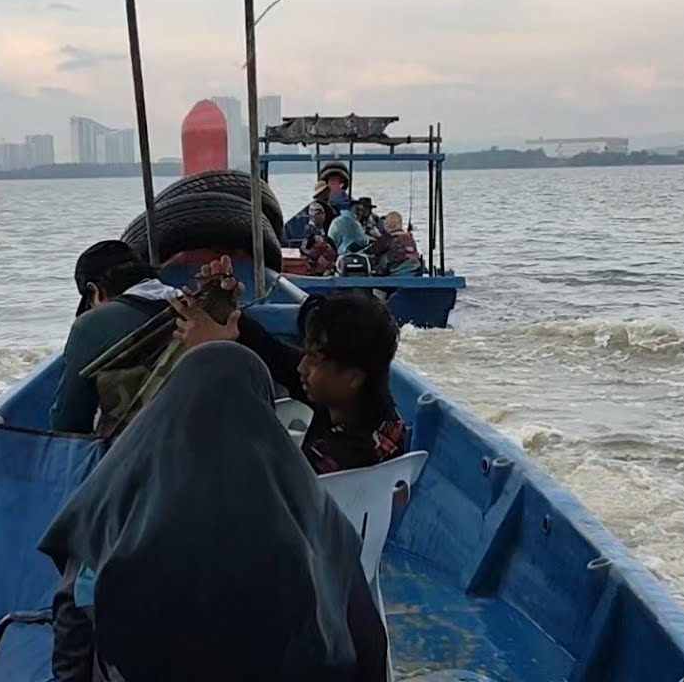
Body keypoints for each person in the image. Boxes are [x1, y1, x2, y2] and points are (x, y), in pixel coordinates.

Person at [40, 342, 388, 682]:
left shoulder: (114, 498)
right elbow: (366, 636)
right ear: (264, 413)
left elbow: (72, 621)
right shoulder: (314, 511)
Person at [171, 256, 409, 474]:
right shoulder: (355, 404)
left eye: (314, 359)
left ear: (353, 377)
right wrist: (227, 313)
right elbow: (277, 356)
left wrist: (208, 357)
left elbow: (250, 469)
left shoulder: (345, 455)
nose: (301, 367)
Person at [50, 240, 177, 433]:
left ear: (95, 290)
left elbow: (68, 423)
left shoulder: (93, 324)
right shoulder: (199, 308)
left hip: (135, 450)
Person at [378, 212, 423, 276]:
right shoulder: (410, 238)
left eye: (385, 223)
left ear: (389, 224)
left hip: (397, 274)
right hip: (415, 271)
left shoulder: (387, 239)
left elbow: (374, 251)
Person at [300, 202, 338, 275]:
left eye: (319, 213)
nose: (316, 215)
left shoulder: (326, 232)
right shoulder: (308, 231)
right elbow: (304, 249)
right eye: (314, 212)